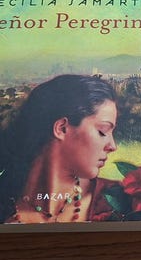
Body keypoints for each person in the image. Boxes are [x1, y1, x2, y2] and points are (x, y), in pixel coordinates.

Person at [0, 74, 120, 224]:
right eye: (102, 131)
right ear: (62, 128)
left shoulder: (120, 199)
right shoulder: (5, 199)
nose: (112, 146)